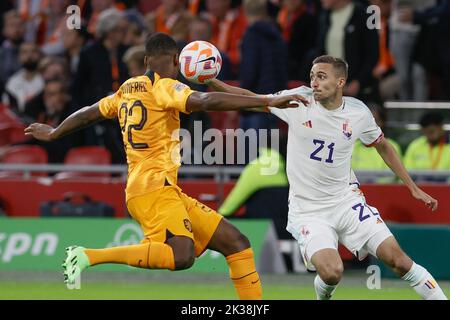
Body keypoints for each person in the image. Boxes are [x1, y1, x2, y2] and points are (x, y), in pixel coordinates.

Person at [24, 32, 306, 300]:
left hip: (156, 188)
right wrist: (267, 100)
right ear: (176, 62)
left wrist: (55, 132)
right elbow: (205, 100)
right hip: (153, 189)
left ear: (146, 60)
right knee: (181, 256)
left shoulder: (125, 90)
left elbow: (88, 114)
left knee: (236, 243)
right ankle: (88, 255)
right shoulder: (166, 86)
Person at [206, 55, 447, 300]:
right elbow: (249, 99)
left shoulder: (358, 113)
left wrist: (412, 187)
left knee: (399, 261)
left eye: (321, 77)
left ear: (340, 81)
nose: (314, 83)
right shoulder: (297, 101)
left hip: (347, 203)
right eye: (312, 77)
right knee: (332, 272)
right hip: (309, 211)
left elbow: (383, 145)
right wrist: (211, 81)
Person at [404, 111, 450, 180]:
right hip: (420, 187)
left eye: (432, 132)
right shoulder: (415, 146)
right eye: (425, 132)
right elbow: (407, 173)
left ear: (441, 127)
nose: (429, 136)